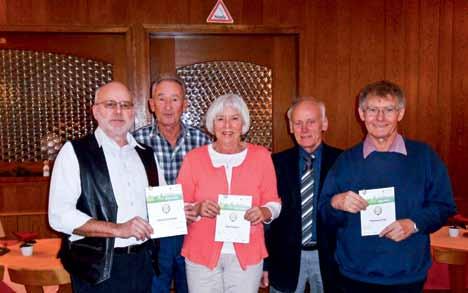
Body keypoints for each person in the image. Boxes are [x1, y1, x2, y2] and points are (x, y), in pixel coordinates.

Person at [319, 80, 457, 293]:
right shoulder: (345, 161)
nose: (380, 118)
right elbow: (325, 215)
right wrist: (336, 203)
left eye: (388, 110)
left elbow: (444, 206)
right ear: (361, 113)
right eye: (373, 110)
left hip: (408, 277)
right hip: (353, 278)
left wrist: (413, 224)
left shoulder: (424, 157)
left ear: (400, 113)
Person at [48, 81, 166, 292]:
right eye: (110, 104)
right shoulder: (74, 152)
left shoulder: (147, 155)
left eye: (126, 105)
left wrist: (182, 210)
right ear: (96, 111)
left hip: (142, 264)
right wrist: (118, 229)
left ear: (133, 112)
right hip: (96, 269)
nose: (119, 112)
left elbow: (161, 203)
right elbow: (59, 215)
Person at [177, 93, 282, 293]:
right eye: (220, 119)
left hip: (247, 254)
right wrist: (197, 208)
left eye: (234, 118)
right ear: (212, 124)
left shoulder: (261, 157)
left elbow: (274, 203)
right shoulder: (194, 159)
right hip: (201, 254)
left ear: (243, 124)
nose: (227, 125)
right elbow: (178, 207)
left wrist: (263, 212)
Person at [133, 73, 211, 293]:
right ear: (151, 104)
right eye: (161, 98)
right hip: (155, 236)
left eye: (175, 99)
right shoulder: (135, 143)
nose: (168, 106)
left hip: (195, 231)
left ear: (185, 105)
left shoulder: (203, 142)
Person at [262, 98, 342, 293]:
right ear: (290, 127)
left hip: (331, 261)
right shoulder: (274, 164)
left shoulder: (343, 162)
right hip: (285, 259)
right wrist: (265, 264)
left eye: (311, 122)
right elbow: (266, 221)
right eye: (298, 123)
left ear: (324, 123)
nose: (304, 129)